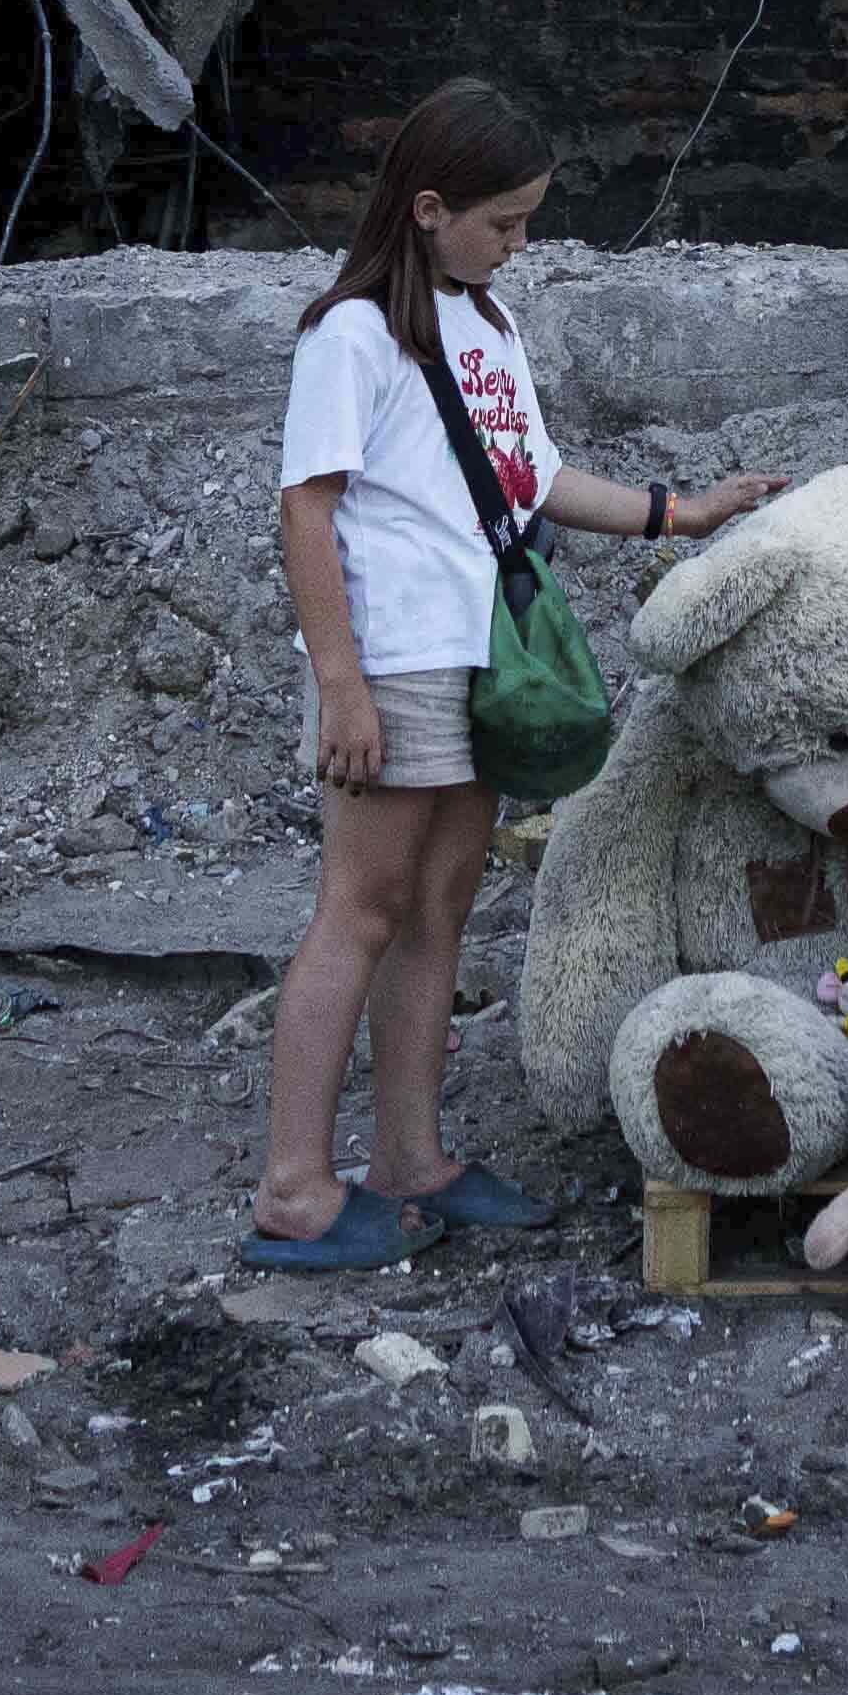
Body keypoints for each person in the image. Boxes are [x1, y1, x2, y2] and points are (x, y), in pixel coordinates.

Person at [248, 78, 780, 1275]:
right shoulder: (352, 335)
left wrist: (680, 514)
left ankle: (412, 1161)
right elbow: (307, 510)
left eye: (529, 219)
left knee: (439, 909)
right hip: (392, 661)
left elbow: (530, 482)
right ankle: (293, 1188)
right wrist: (340, 681)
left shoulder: (487, 327)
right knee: (362, 910)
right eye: (505, 221)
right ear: (429, 208)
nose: (521, 244)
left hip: (485, 654)